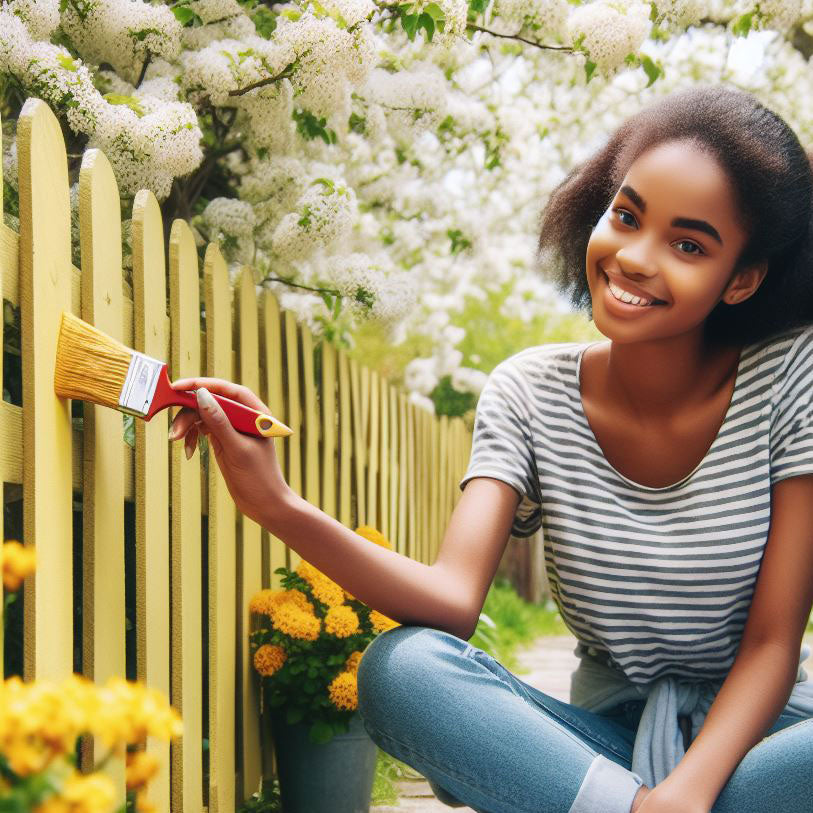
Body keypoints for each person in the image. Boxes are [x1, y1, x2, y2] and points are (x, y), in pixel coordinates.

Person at [166, 84, 813, 813]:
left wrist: (687, 795)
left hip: (759, 752)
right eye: (625, 216)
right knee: (404, 668)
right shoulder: (528, 394)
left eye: (688, 244)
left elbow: (770, 643)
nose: (634, 257)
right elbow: (450, 602)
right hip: (596, 746)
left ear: (743, 280)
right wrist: (275, 504)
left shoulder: (789, 375)